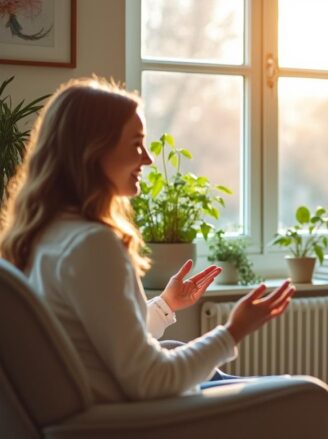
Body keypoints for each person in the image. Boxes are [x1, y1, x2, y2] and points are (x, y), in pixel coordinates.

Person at [0, 77, 302, 405]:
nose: (147, 158)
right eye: (136, 144)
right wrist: (233, 330)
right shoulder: (92, 245)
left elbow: (96, 338)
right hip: (138, 421)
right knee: (310, 399)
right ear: (92, 150)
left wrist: (165, 305)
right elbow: (151, 381)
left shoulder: (43, 236)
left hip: (111, 406)